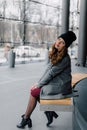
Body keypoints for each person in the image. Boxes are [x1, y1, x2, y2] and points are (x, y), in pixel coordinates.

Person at [17, 30, 77, 128]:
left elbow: (51, 73)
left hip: (62, 86)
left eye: (62, 42)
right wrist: (38, 83)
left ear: (65, 46)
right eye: (59, 39)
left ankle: (26, 118)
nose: (58, 43)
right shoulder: (57, 53)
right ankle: (47, 112)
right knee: (35, 91)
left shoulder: (64, 58)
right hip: (56, 82)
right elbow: (48, 70)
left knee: (34, 93)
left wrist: (39, 85)